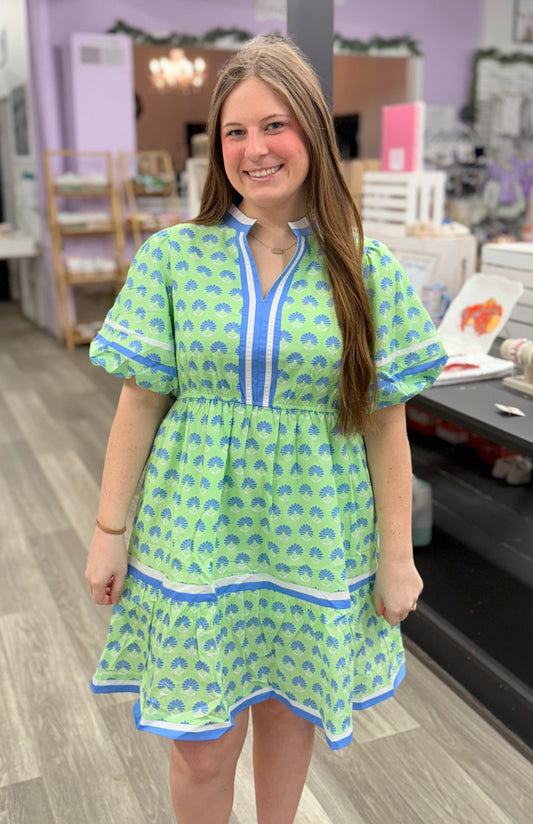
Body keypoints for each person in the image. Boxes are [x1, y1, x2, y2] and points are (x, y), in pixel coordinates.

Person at [85, 34, 447, 824]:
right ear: (218, 148)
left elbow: (387, 427)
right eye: (235, 132)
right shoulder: (173, 259)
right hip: (194, 528)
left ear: (313, 133)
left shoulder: (366, 267)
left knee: (290, 712)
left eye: (274, 125)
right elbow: (138, 404)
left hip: (315, 536)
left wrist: (397, 560)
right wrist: (109, 530)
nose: (254, 149)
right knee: (202, 740)